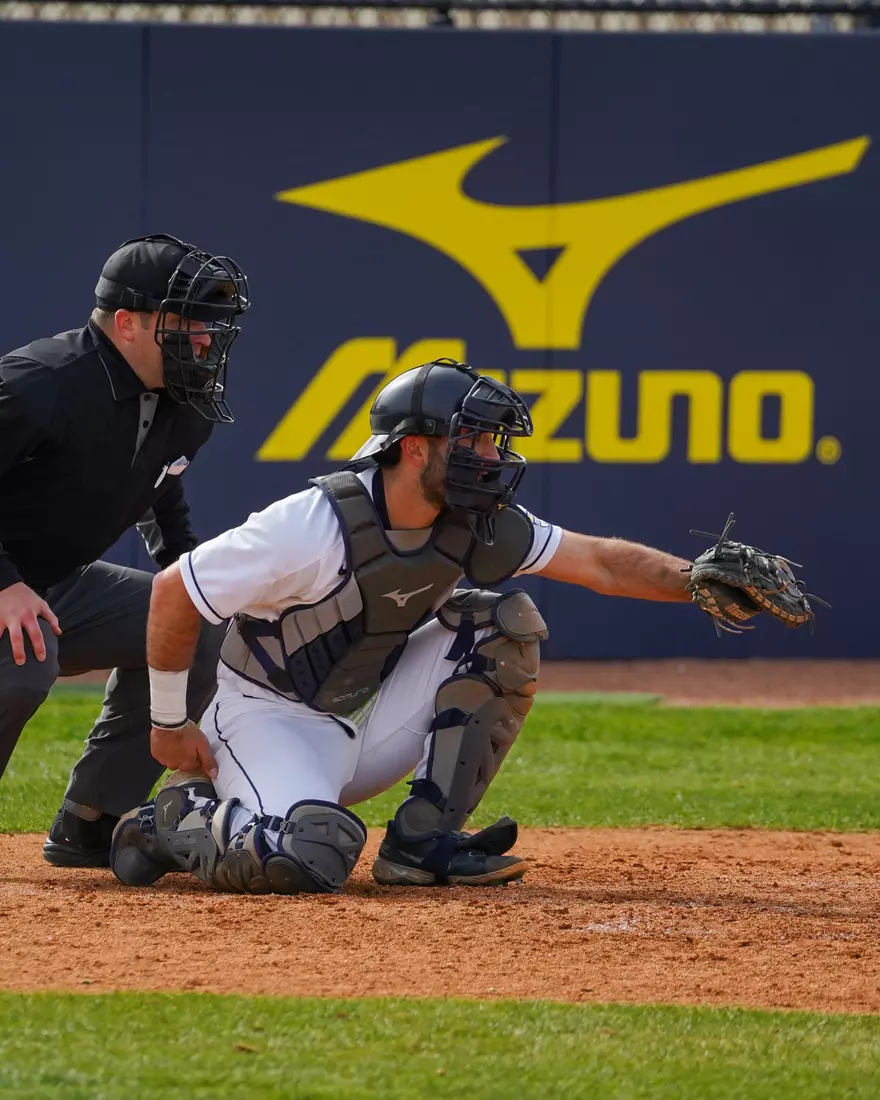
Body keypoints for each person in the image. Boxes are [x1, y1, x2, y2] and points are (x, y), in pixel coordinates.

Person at [109, 356, 722, 895]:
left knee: (502, 623)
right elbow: (175, 588)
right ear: (414, 447)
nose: (491, 457)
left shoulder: (474, 518)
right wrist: (168, 724)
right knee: (313, 852)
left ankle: (421, 844)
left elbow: (598, 562)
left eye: (493, 442)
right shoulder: (312, 524)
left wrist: (696, 580)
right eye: (473, 440)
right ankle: (174, 819)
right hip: (260, 719)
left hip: (358, 722)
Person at [0, 232, 249, 868]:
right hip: (12, 584)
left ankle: (91, 818)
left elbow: (162, 498)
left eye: (209, 323)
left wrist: (191, 587)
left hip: (53, 582)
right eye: (186, 321)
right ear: (126, 323)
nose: (203, 338)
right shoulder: (39, 384)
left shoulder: (183, 401)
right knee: (26, 658)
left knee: (198, 629)